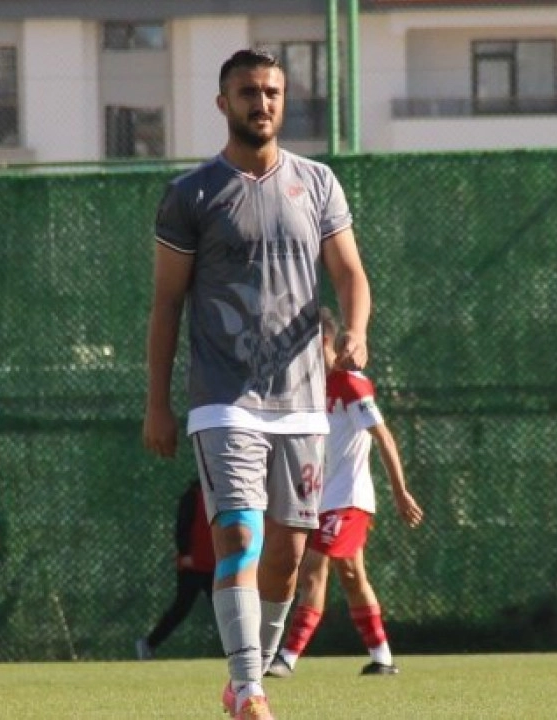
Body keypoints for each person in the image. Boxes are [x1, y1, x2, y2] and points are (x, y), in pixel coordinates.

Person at [142, 49, 372, 720]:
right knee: (239, 537)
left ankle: (249, 677)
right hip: (224, 400)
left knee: (288, 559)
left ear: (283, 99)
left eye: (272, 91)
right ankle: (249, 690)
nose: (261, 102)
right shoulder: (192, 193)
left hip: (301, 402)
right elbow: (167, 303)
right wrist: (158, 403)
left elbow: (350, 274)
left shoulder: (318, 183)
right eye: (247, 91)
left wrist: (355, 331)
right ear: (224, 103)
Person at [267, 310, 422, 679]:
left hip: (348, 498)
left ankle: (286, 658)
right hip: (317, 499)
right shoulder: (308, 389)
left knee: (312, 570)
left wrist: (400, 492)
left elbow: (383, 437)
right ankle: (383, 657)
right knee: (352, 576)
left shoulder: (352, 384)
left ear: (323, 342)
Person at [136, 478, 216, 660]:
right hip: (193, 565)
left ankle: (248, 650)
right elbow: (182, 527)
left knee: (225, 608)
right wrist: (185, 553)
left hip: (214, 565)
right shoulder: (192, 496)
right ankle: (148, 644)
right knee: (181, 608)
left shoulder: (224, 496)